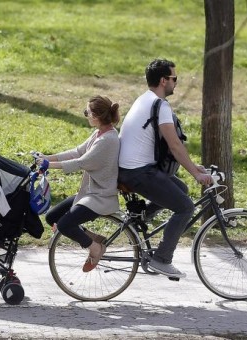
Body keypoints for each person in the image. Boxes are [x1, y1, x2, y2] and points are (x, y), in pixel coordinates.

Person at [117, 58, 212, 279]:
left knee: (181, 190)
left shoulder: (144, 99)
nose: (176, 83)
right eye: (174, 78)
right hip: (138, 172)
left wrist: (193, 166)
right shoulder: (161, 105)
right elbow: (174, 144)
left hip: (132, 169)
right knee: (185, 207)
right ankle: (162, 259)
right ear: (163, 80)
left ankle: (140, 217)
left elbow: (166, 148)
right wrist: (197, 174)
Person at [43, 95, 121, 272]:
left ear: (96, 116)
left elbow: (81, 162)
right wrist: (46, 158)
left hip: (101, 196)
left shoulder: (107, 140)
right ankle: (94, 238)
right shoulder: (99, 133)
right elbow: (77, 152)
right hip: (89, 193)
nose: (86, 115)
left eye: (87, 112)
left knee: (64, 225)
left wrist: (49, 165)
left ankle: (95, 248)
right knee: (52, 217)